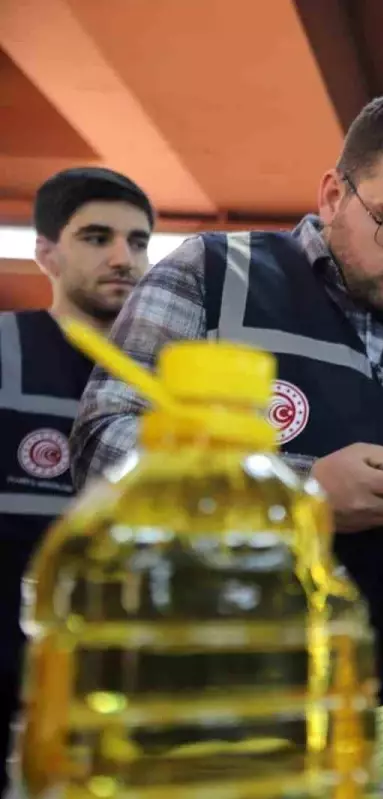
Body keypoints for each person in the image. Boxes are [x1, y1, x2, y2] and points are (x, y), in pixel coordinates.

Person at [70, 92, 383, 737]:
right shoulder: (213, 277)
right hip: (218, 701)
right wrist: (296, 493)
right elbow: (100, 450)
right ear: (334, 195)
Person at [0, 167, 154, 788]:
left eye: (138, 241)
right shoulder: (7, 350)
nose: (123, 257)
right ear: (46, 253)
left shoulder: (170, 383)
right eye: (96, 237)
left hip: (128, 702)